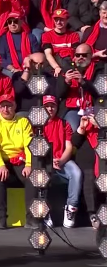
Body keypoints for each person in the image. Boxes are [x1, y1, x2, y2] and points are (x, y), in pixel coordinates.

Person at [0, 95, 34, 229]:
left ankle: (30, 219)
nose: (6, 109)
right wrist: (1, 166)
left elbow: (28, 145)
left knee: (31, 178)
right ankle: (1, 219)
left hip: (19, 158)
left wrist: (29, 164)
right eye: (3, 106)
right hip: (2, 159)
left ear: (15, 106)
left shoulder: (23, 121)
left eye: (9, 106)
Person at [41, 95, 81, 228]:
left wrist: (61, 160)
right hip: (44, 161)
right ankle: (44, 212)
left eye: (52, 106)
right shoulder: (38, 125)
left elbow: (69, 146)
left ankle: (71, 208)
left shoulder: (64, 124)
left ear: (57, 107)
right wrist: (49, 161)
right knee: (38, 175)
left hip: (62, 160)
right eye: (47, 106)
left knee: (76, 173)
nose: (50, 109)